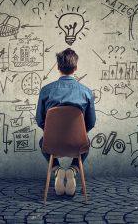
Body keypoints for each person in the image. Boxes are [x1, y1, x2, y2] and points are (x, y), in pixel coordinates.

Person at [36, 48, 96, 196]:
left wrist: (51, 132)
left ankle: (57, 170)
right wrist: (78, 133)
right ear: (76, 68)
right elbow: (91, 122)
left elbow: (39, 120)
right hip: (77, 143)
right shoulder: (86, 92)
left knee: (41, 143)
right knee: (86, 144)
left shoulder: (46, 90)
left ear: (58, 67)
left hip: (51, 143)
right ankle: (73, 169)